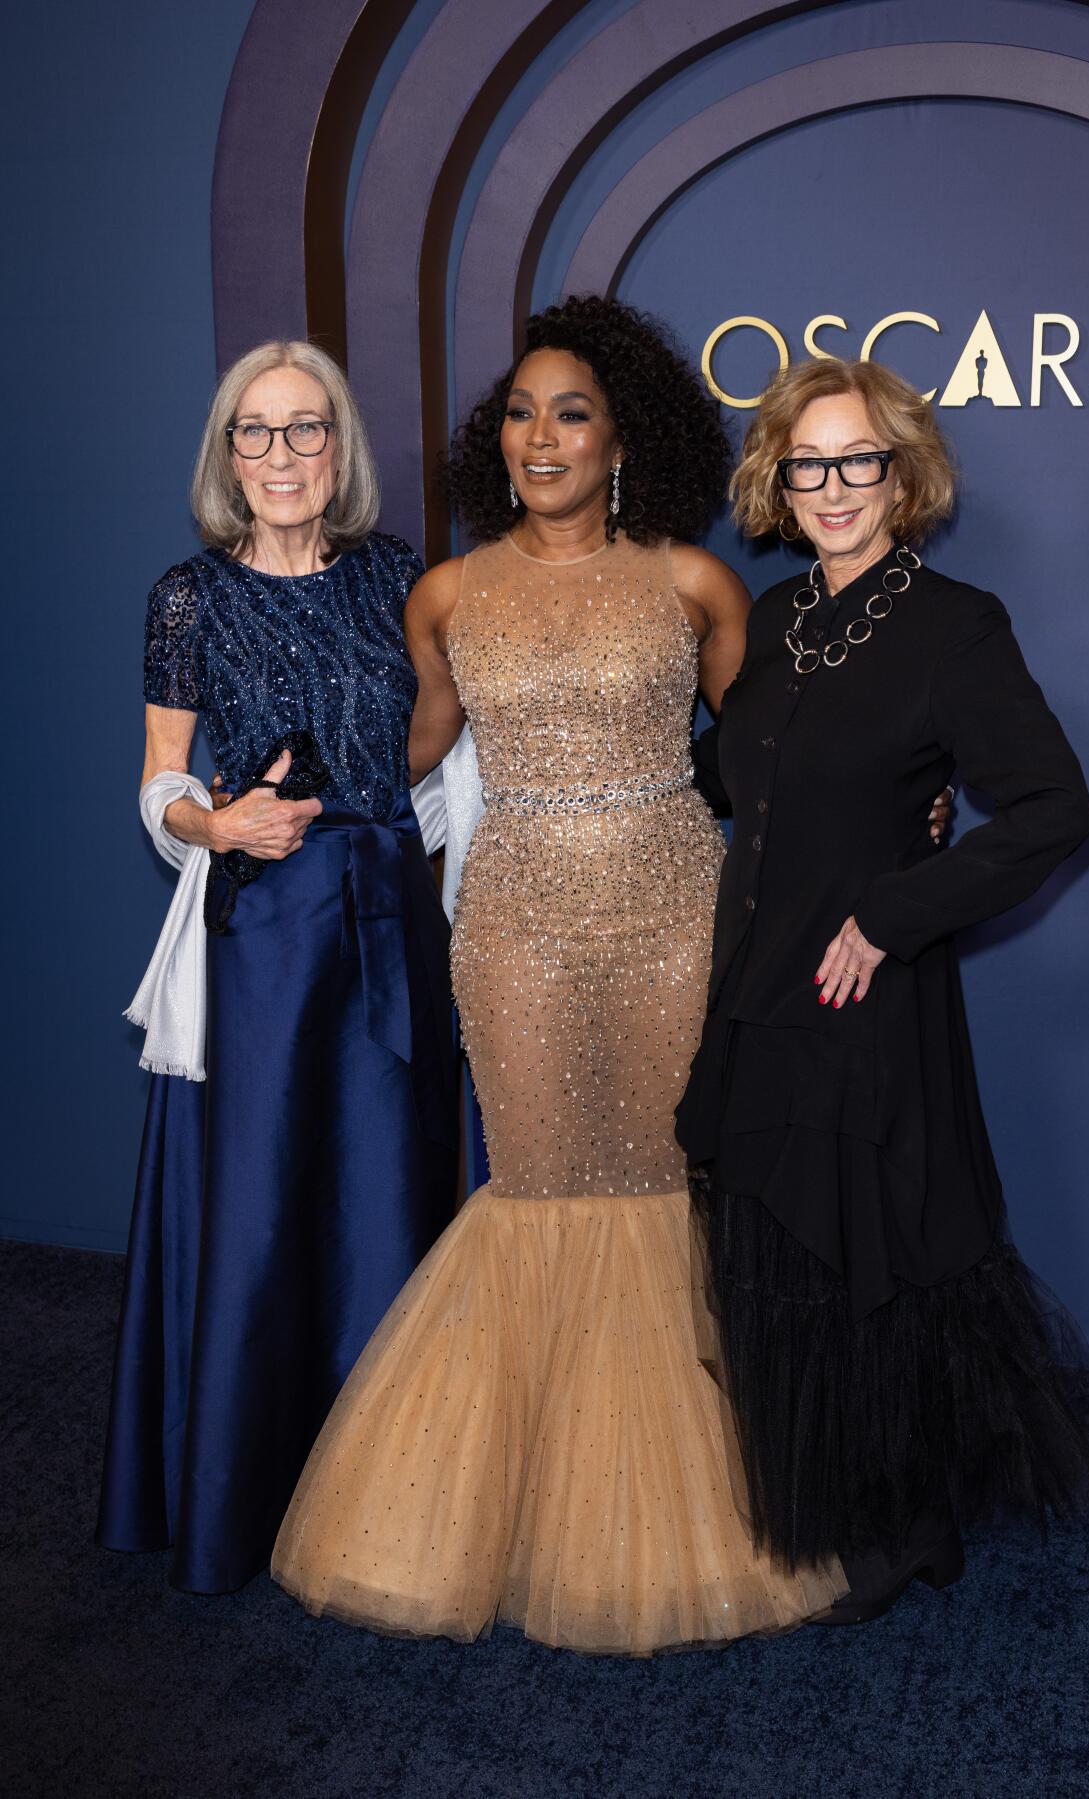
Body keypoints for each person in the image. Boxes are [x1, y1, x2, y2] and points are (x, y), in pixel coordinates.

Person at [272, 296, 856, 1653]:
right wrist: (259, 796)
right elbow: (408, 752)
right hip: (518, 919)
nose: (543, 435)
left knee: (663, 1183)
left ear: (624, 437)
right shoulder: (451, 594)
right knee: (540, 1185)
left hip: (670, 912)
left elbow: (771, 757)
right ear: (500, 439)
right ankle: (513, 1508)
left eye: (572, 411)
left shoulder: (693, 584)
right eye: (523, 411)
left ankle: (694, 1511)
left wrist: (899, 809)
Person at [676, 355, 1089, 1624]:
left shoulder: (954, 625)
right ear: (777, 477)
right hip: (759, 987)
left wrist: (894, 906)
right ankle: (848, 1508)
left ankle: (900, 1527)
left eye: (857, 459)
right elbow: (730, 781)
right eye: (807, 463)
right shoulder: (776, 618)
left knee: (865, 1249)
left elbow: (1053, 812)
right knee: (784, 1254)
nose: (833, 486)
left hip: (860, 994)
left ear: (902, 473)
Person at [98, 342, 457, 1594]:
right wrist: (219, 824)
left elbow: (443, 752)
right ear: (226, 454)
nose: (281, 457)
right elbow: (162, 781)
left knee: (384, 1197)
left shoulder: (402, 581)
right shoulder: (186, 597)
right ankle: (244, 1499)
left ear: (339, 450)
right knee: (258, 1203)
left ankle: (395, 1503)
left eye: (306, 431)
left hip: (390, 922)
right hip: (260, 929)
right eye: (255, 433)